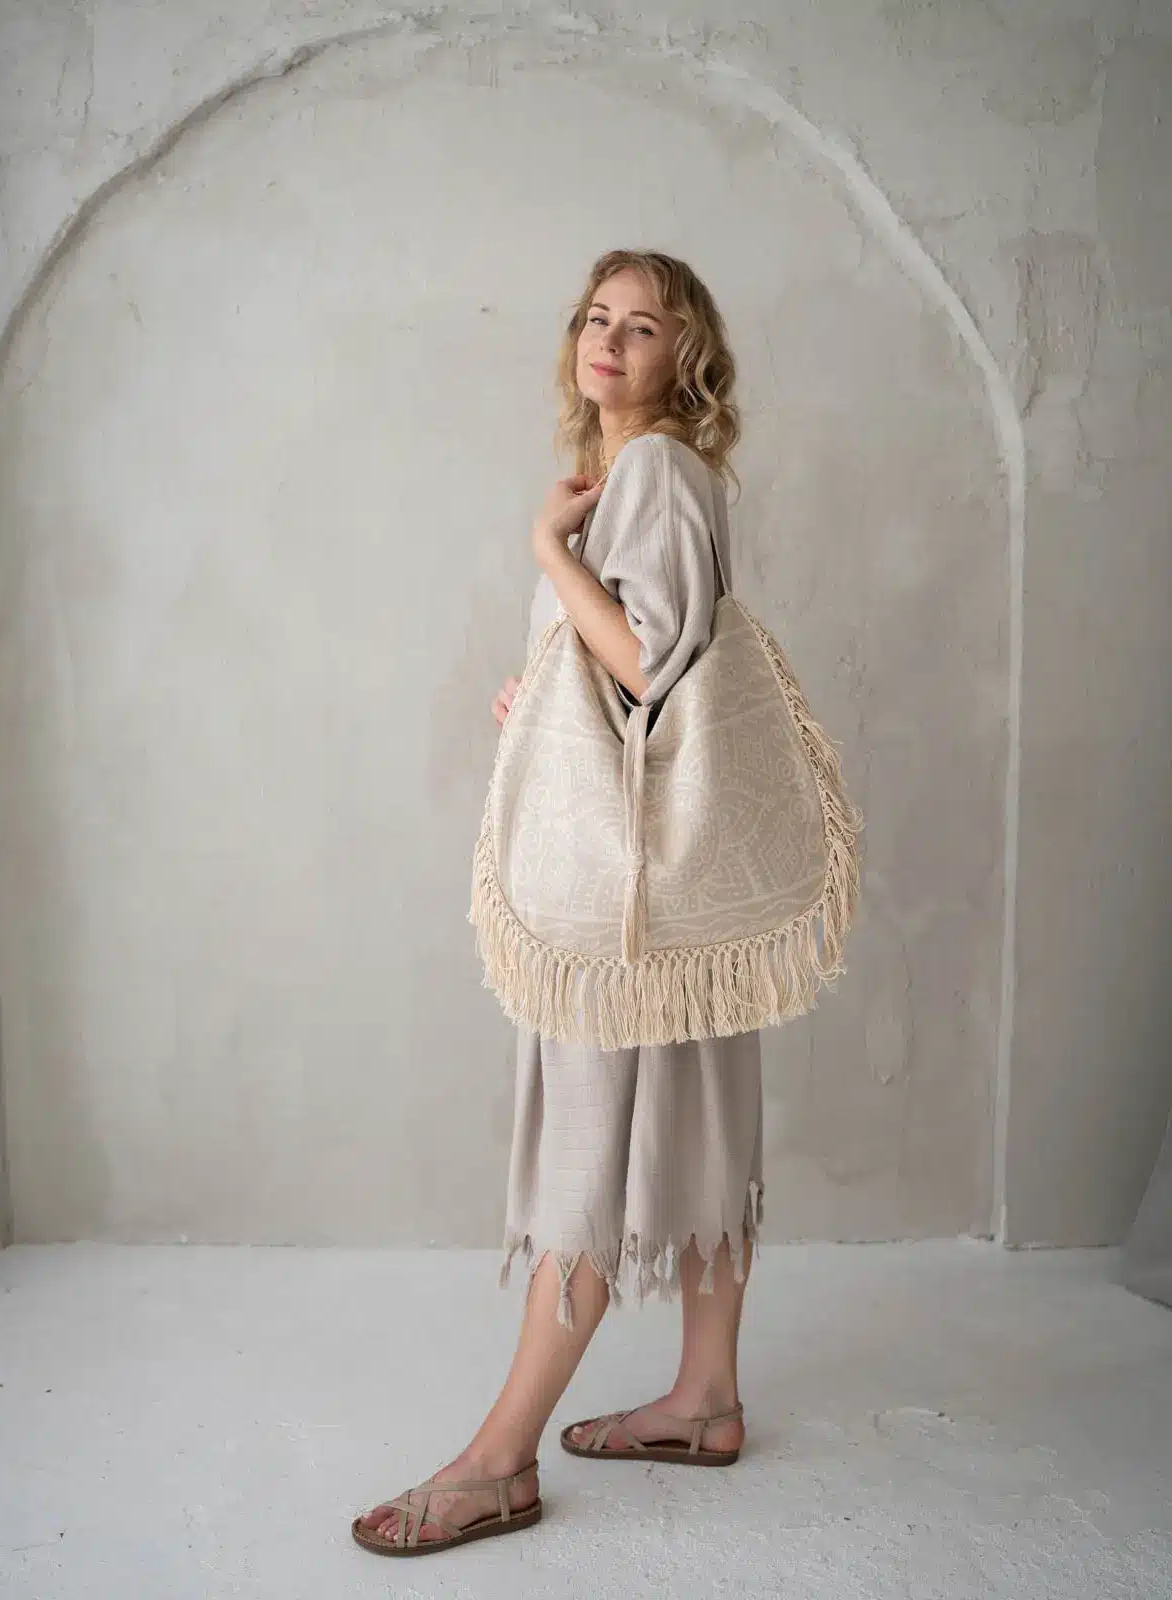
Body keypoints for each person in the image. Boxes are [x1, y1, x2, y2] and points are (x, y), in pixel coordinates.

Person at [352, 249, 763, 1558]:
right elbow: (629, 662)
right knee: (699, 1114)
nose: (610, 340)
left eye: (643, 325)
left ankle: (498, 1461)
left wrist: (544, 549)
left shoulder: (651, 472)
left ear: (685, 356)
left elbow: (648, 661)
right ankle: (705, 1400)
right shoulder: (650, 476)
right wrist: (542, 689)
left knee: (586, 1149)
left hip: (619, 892)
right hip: (677, 880)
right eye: (597, 316)